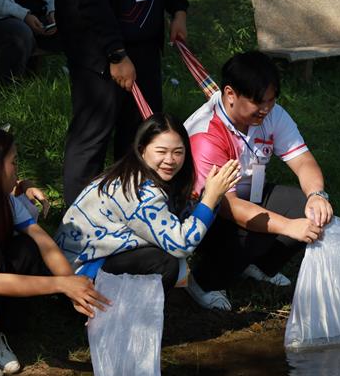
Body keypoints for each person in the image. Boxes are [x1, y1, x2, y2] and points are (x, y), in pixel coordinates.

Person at [184, 51, 334, 311]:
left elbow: (303, 162)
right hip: (204, 212)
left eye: (271, 101)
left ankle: (258, 267)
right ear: (230, 94)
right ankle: (204, 280)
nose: (266, 109)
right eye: (258, 102)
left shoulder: (271, 114)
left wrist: (317, 196)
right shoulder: (206, 133)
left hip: (246, 197)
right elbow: (227, 206)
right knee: (250, 231)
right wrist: (287, 226)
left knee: (308, 209)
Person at [55, 0, 189, 206]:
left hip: (144, 44)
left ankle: (133, 209)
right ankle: (78, 222)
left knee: (141, 132)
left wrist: (178, 9)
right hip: (99, 50)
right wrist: (115, 53)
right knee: (93, 134)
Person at [55, 114, 240, 293]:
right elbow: (182, 244)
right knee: (165, 263)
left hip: (91, 260)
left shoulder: (134, 172)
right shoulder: (140, 191)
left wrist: (208, 199)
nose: (170, 160)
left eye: (178, 152)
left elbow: (179, 219)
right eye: (161, 151)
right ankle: (117, 314)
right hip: (78, 279)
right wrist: (210, 199)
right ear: (142, 149)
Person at [0, 128, 110, 376]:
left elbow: (42, 240)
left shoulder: (6, 202)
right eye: (13, 163)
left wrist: (74, 287)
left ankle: (1, 329)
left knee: (27, 246)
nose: (17, 171)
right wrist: (60, 284)